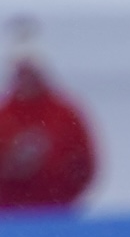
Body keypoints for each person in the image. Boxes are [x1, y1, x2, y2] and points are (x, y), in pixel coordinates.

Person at [0, 23, 96, 208]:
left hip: (58, 213)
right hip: (10, 216)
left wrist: (58, 183)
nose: (26, 80)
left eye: (31, 73)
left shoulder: (65, 114)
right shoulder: (4, 116)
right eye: (22, 73)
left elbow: (84, 164)